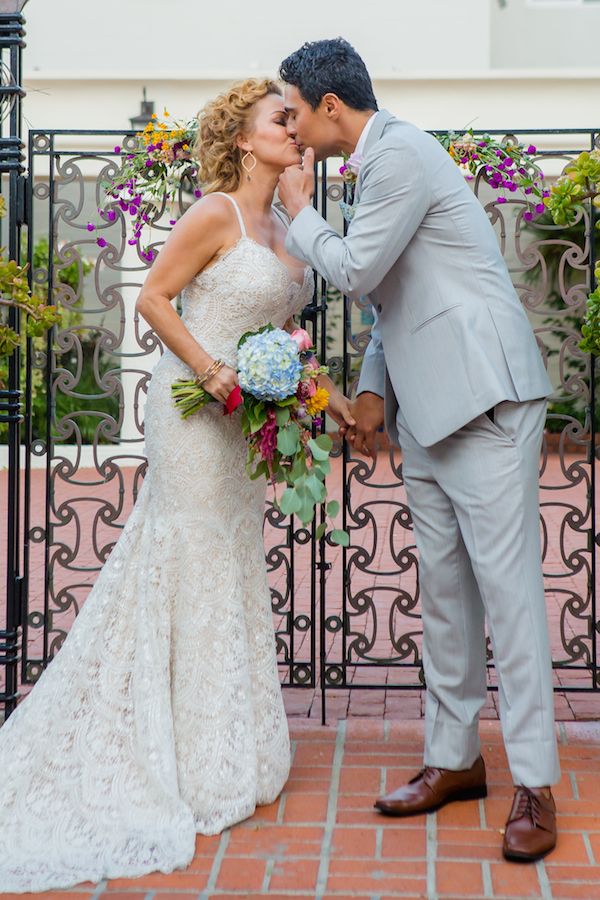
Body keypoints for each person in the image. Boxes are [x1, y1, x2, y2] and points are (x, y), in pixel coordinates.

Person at [0, 77, 353, 893]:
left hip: (247, 422)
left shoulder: (286, 225)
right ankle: (175, 756)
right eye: (280, 121)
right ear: (242, 139)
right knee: (187, 552)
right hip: (197, 413)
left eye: (295, 121)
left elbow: (290, 327)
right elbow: (155, 301)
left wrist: (301, 388)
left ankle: (229, 743)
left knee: (230, 558)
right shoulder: (215, 213)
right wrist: (214, 370)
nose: (294, 132)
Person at [277, 38, 560, 862]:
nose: (291, 127)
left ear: (333, 107)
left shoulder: (398, 154)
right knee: (444, 594)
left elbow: (361, 270)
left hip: (486, 398)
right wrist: (373, 392)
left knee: (507, 598)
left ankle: (535, 783)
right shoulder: (380, 164)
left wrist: (299, 209)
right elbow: (397, 298)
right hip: (430, 413)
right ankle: (455, 760)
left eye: (294, 109)